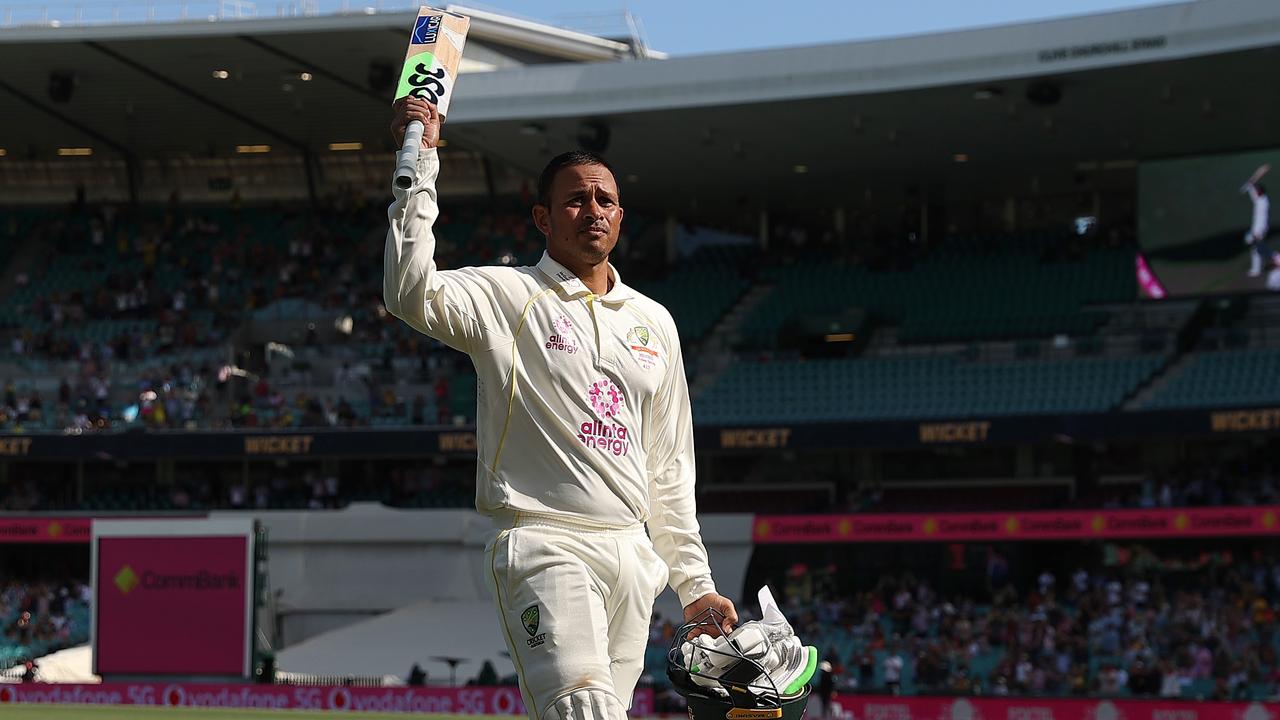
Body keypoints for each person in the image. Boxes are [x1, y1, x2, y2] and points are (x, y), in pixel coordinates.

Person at [384, 97, 736, 720]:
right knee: (583, 707)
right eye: (575, 200)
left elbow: (670, 468)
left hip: (632, 557)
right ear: (543, 218)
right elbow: (409, 292)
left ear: (621, 217)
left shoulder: (655, 322)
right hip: (544, 540)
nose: (592, 211)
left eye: (603, 200)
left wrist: (695, 585)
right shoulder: (508, 294)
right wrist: (420, 156)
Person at [1241, 164, 1270, 277]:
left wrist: (1258, 233)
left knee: (1253, 245)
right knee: (1259, 248)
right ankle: (1257, 269)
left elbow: (1263, 219)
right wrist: (1260, 172)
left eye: (1257, 190)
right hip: (1257, 228)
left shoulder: (1263, 202)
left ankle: (1256, 270)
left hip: (1260, 229)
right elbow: (1251, 184)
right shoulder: (1259, 197)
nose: (1255, 191)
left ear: (1260, 192)